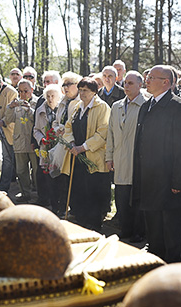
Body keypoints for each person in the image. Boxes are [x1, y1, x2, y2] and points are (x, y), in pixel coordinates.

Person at [132, 65, 181, 263]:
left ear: (166, 82)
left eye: (151, 77)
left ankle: (173, 267)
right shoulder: (146, 105)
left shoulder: (179, 106)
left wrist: (178, 181)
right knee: (154, 226)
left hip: (168, 180)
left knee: (170, 228)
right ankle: (156, 263)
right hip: (148, 176)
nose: (146, 80)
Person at [61, 77, 111, 231]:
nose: (82, 93)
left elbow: (102, 133)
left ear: (94, 92)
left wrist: (83, 147)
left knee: (93, 190)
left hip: (93, 155)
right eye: (80, 90)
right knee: (79, 187)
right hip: (76, 155)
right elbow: (68, 127)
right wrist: (70, 143)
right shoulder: (77, 106)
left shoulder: (102, 107)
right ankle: (81, 220)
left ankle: (94, 223)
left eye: (86, 91)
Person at [106, 71, 145, 242]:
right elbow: (110, 134)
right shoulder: (116, 106)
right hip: (119, 159)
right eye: (125, 83)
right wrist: (109, 157)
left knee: (136, 199)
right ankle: (126, 229)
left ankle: (139, 231)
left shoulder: (146, 104)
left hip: (137, 161)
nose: (126, 86)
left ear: (140, 85)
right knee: (121, 198)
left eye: (130, 83)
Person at [4, 79, 38, 202]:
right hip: (19, 141)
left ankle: (39, 194)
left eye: (25, 91)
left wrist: (29, 109)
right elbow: (8, 119)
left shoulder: (37, 102)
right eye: (20, 91)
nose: (22, 94)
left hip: (33, 142)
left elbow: (37, 119)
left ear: (32, 90)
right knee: (21, 170)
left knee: (36, 170)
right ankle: (25, 194)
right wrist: (10, 107)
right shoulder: (16, 102)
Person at [34, 84, 64, 214]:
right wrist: (42, 139)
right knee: (48, 178)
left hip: (59, 148)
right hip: (45, 149)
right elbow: (35, 130)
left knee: (60, 177)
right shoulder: (40, 110)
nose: (50, 99)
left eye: (53, 96)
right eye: (48, 96)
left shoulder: (62, 110)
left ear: (59, 97)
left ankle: (61, 206)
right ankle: (53, 206)